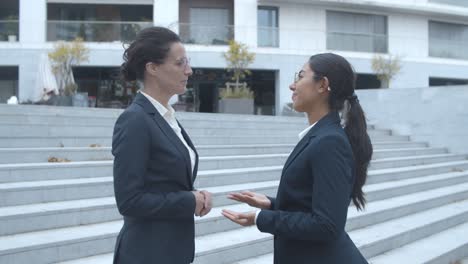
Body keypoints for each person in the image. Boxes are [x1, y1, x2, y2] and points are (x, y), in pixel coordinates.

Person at [222, 53, 373, 264]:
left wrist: (260, 218)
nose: (293, 86)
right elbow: (308, 206)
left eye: (300, 76)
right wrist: (272, 204)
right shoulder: (320, 136)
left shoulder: (330, 142)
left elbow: (326, 225)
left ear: (322, 85)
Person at [112, 27, 212, 264]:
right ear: (152, 68)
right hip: (146, 253)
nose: (189, 70)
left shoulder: (167, 117)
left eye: (187, 62)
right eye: (180, 63)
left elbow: (164, 182)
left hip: (172, 251)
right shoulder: (135, 120)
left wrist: (196, 195)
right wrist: (190, 200)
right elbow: (129, 200)